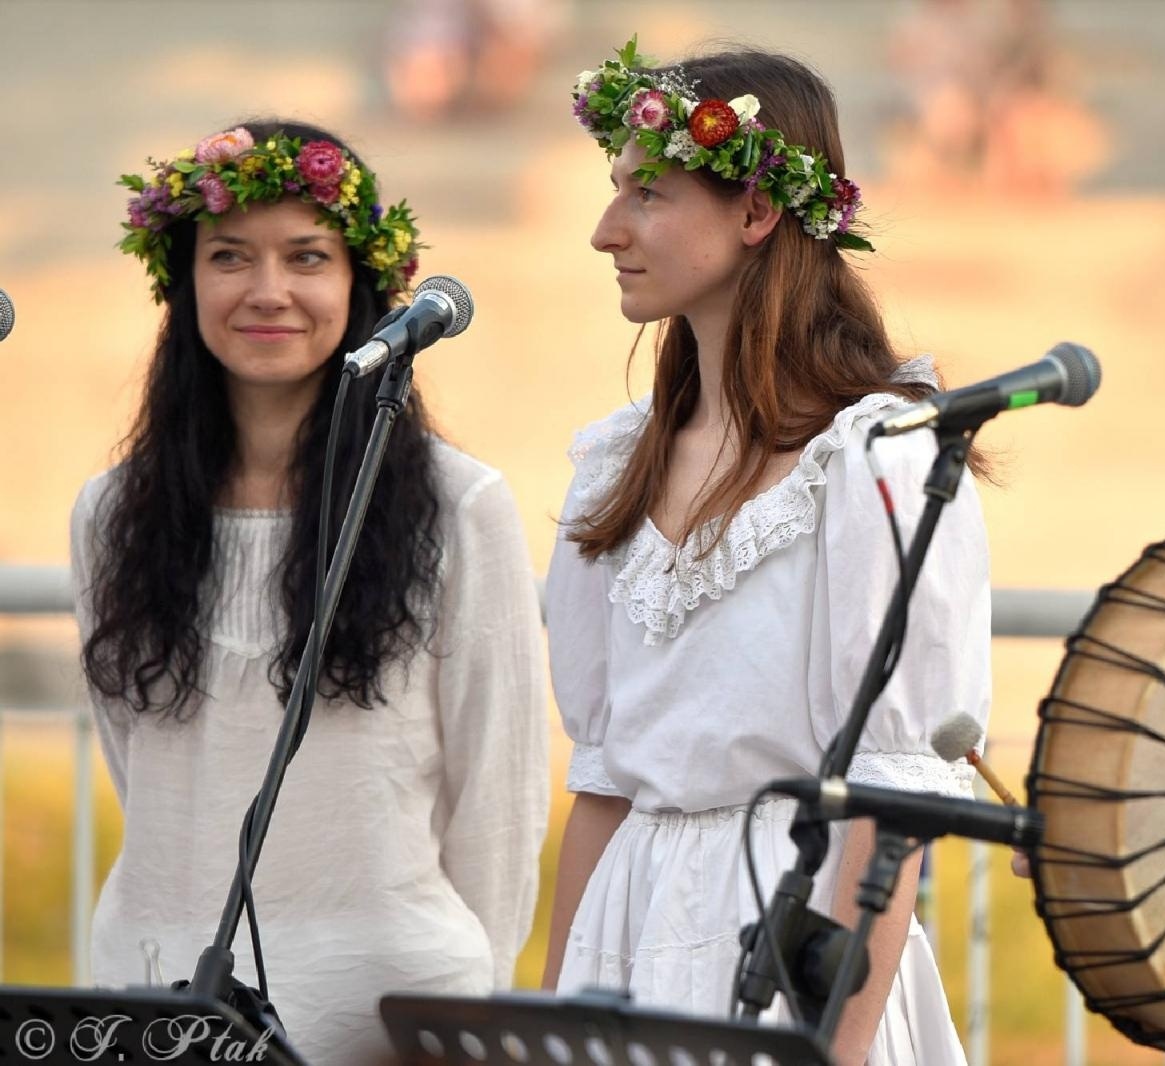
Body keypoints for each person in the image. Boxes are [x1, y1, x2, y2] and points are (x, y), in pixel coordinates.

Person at [543, 41, 991, 1066]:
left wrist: (834, 1044)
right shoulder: (617, 460)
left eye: (647, 194)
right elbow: (604, 786)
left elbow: (891, 797)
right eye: (614, 192)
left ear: (754, 214)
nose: (606, 230)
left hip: (797, 934)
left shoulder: (877, 458)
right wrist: (551, 1029)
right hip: (627, 935)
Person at [77, 120, 548, 1064]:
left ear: (361, 286)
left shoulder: (460, 506)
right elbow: (152, 776)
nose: (269, 292)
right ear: (183, 282)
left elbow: (500, 797)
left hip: (390, 1011)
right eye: (229, 257)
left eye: (307, 258)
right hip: (159, 1000)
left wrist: (460, 1016)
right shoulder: (112, 512)